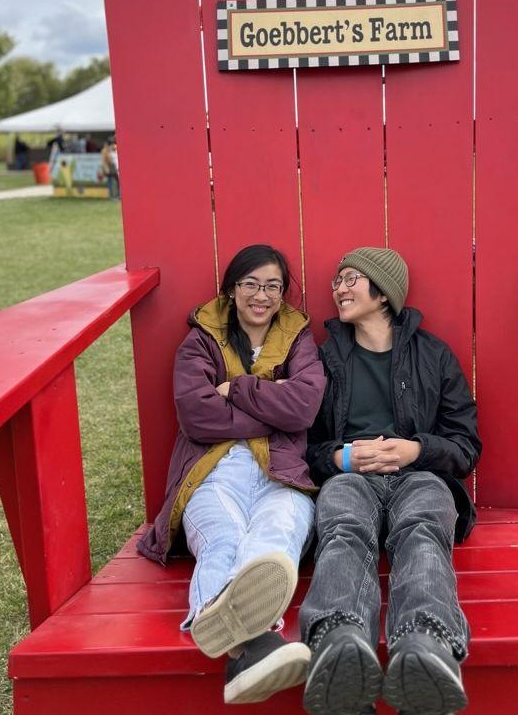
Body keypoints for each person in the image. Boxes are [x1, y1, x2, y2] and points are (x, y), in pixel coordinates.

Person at [136, 244, 326, 705]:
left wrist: (235, 389)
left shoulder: (298, 338)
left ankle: (236, 644)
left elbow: (304, 407)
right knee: (225, 536)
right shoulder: (200, 338)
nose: (261, 296)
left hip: (280, 469)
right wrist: (271, 400)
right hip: (213, 469)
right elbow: (198, 418)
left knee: (277, 531)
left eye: (273, 286)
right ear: (231, 288)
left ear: (283, 293)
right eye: (251, 284)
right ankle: (255, 644)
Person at [299, 247, 482, 715]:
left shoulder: (435, 356)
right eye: (336, 280)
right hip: (350, 478)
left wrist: (417, 449)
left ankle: (427, 647)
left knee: (423, 530)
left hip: (419, 474)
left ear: (383, 294)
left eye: (352, 279)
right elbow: (306, 446)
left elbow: (465, 446)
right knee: (342, 528)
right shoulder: (323, 360)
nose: (339, 288)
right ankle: (338, 644)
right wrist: (341, 458)